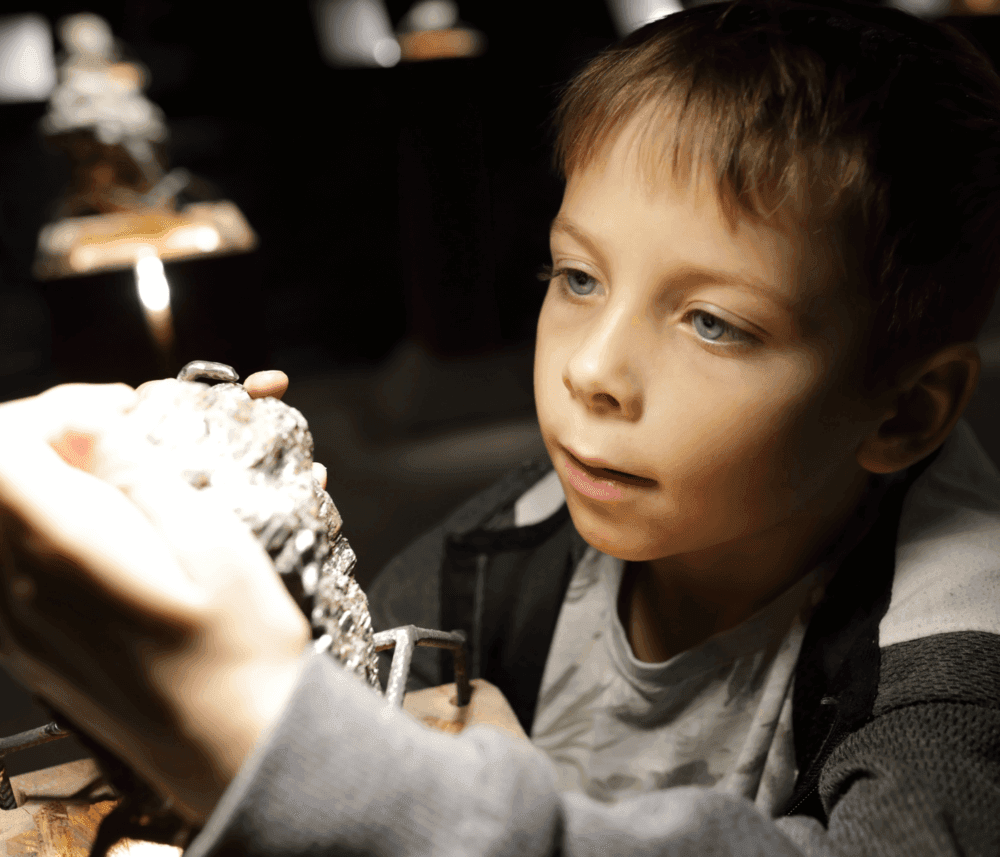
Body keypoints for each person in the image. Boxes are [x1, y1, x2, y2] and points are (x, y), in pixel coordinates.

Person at [2, 0, 1000, 854]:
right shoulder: (489, 555)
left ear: (904, 409)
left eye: (712, 321)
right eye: (578, 277)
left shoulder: (960, 654)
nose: (591, 368)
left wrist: (282, 743)